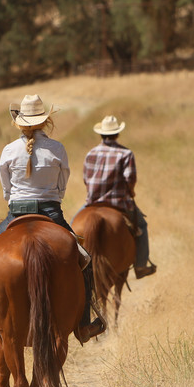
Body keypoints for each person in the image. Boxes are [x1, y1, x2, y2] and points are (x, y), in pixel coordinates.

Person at [0, 94, 105, 346]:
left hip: (16, 213)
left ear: (19, 122)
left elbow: (7, 191)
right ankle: (84, 325)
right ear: (44, 121)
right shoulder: (58, 148)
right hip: (51, 213)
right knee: (83, 258)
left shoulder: (8, 150)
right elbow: (61, 187)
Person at [82, 115, 157, 279]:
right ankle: (141, 266)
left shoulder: (91, 153)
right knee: (142, 226)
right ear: (117, 134)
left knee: (74, 229)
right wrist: (131, 191)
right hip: (118, 203)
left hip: (92, 203)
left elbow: (86, 178)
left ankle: (76, 267)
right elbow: (130, 178)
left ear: (101, 134)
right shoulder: (126, 153)